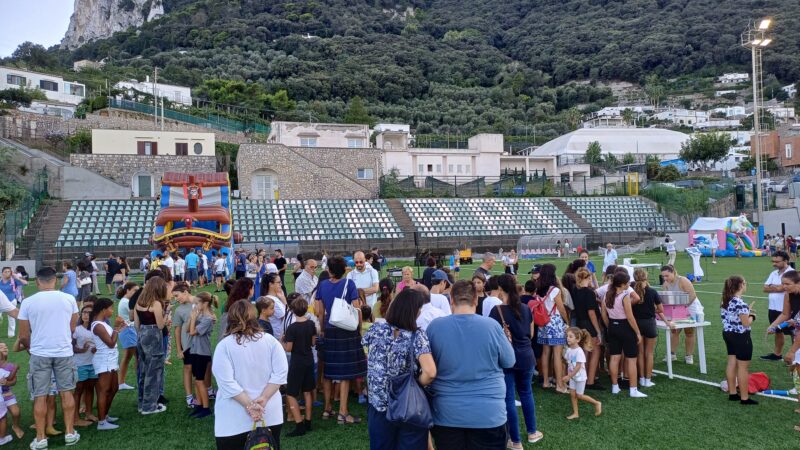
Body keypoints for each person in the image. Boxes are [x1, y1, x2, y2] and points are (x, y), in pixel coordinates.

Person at [427, 280, 515, 449]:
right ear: (476, 300)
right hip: (488, 413)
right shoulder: (491, 326)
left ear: (451, 300)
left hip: (448, 413)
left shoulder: (435, 327)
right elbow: (509, 360)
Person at [362, 289, 436, 450]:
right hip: (408, 404)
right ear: (413, 311)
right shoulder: (416, 336)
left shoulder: (375, 330)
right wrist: (417, 383)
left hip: (378, 404)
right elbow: (430, 372)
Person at [17, 267, 81, 448]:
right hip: (63, 352)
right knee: (66, 392)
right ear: (55, 280)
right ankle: (69, 432)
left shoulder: (28, 302)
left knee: (40, 395)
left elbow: (23, 336)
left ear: (38, 281)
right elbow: (73, 326)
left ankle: (40, 438)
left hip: (39, 353)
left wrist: (31, 348)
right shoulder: (69, 299)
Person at [213, 300, 288, 449]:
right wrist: (263, 399)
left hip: (233, 419)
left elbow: (226, 382)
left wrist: (250, 405)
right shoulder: (271, 341)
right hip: (268, 414)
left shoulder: (224, 346)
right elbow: (280, 374)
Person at [488, 274, 542, 447]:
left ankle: (515, 440)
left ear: (500, 289)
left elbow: (492, 338)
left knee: (509, 398)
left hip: (507, 358)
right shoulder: (525, 308)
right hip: (527, 356)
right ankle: (532, 432)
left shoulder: (497, 311)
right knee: (526, 393)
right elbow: (531, 333)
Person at [314, 256, 366, 424]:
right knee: (344, 373)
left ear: (329, 269)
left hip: (329, 330)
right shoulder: (349, 284)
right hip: (346, 331)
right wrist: (359, 328)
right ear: (344, 270)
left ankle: (327, 409)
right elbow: (357, 307)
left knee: (328, 371)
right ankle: (343, 412)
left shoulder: (322, 285)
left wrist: (322, 329)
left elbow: (320, 312)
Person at [601, 271, 647, 398]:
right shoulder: (624, 296)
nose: (628, 284)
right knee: (631, 359)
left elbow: (604, 315)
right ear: (621, 284)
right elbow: (630, 316)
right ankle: (633, 389)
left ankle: (615, 387)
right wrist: (637, 332)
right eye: (627, 283)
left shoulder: (606, 295)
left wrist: (609, 326)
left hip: (612, 327)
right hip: (625, 327)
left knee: (614, 358)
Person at [282, 298, 317, 437]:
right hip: (309, 359)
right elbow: (313, 342)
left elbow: (289, 349)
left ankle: (299, 424)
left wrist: (283, 341)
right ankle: (308, 421)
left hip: (297, 362)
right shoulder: (311, 324)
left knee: (291, 393)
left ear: (292, 310)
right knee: (307, 392)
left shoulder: (292, 328)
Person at [720, 275, 758, 405]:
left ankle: (732, 393)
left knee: (732, 363)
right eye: (745, 283)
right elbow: (746, 323)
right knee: (743, 368)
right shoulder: (740, 303)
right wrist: (752, 315)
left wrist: (747, 311)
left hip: (728, 334)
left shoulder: (725, 300)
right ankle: (744, 398)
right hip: (741, 337)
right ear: (741, 285)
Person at [134, 277, 168, 415]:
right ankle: (150, 406)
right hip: (154, 335)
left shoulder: (139, 302)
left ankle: (142, 403)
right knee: (153, 373)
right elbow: (161, 325)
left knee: (143, 370)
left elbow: (136, 325)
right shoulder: (156, 304)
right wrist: (167, 314)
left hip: (142, 335)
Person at [632, 269, 671, 389]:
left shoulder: (632, 292)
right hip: (649, 324)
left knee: (640, 352)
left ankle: (642, 378)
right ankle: (647, 380)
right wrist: (651, 309)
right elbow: (661, 310)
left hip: (636, 324)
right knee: (649, 353)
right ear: (646, 277)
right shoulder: (652, 291)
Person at [90, 298, 123, 430]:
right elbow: (110, 343)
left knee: (114, 388)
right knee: (104, 391)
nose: (112, 311)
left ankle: (105, 415)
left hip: (110, 360)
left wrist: (118, 329)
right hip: (104, 360)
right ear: (103, 310)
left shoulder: (103, 323)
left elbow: (112, 340)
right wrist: (116, 328)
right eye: (110, 308)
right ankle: (102, 422)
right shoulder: (97, 325)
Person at [536, 263, 568, 392]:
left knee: (545, 352)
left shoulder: (539, 289)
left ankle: (545, 381)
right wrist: (567, 321)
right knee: (557, 354)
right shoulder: (554, 290)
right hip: (554, 322)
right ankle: (560, 385)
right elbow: (561, 308)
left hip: (543, 322)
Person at [661, 265, 701, 364]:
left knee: (689, 332)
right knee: (674, 330)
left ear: (673, 272)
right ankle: (672, 354)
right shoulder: (665, 284)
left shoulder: (683, 280)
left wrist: (683, 308)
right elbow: (665, 298)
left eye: (667, 275)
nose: (665, 278)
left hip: (691, 307)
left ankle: (689, 356)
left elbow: (692, 295)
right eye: (663, 276)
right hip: (675, 308)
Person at [572, 268, 603, 390]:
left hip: (580, 323)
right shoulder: (589, 292)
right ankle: (590, 380)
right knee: (595, 351)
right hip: (589, 324)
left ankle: (583, 379)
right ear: (587, 278)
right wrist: (598, 331)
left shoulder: (575, 291)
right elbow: (591, 313)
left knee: (585, 353)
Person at [188, 292, 217, 419]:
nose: (195, 305)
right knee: (196, 380)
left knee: (200, 381)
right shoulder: (201, 315)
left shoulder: (208, 319)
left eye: (197, 303)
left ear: (205, 303)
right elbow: (187, 330)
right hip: (195, 350)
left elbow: (193, 332)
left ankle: (206, 408)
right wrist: (193, 317)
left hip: (202, 352)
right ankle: (199, 405)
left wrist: (193, 318)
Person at [563, 327, 602, 419]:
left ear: (578, 339)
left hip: (580, 377)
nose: (568, 338)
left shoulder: (579, 351)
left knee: (579, 395)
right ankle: (576, 413)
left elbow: (578, 366)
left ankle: (597, 403)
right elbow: (567, 361)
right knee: (572, 394)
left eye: (571, 336)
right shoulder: (569, 350)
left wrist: (569, 376)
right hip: (573, 377)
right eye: (567, 336)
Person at [762, 251, 794, 361]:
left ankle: (794, 356)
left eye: (777, 261)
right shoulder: (773, 273)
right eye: (773, 261)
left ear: (785, 261)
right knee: (777, 331)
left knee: (793, 333)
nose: (774, 264)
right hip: (773, 308)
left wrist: (774, 287)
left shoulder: (792, 273)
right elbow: (764, 288)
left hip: (787, 310)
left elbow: (782, 288)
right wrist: (777, 288)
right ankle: (777, 354)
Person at [766, 270, 800, 365]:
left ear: (798, 283)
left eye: (787, 284)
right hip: (797, 331)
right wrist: (773, 325)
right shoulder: (788, 294)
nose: (784, 286)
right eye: (782, 283)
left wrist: (792, 351)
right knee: (796, 365)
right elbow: (785, 314)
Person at [171, 282, 196, 408]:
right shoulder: (179, 310)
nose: (176, 299)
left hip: (201, 344)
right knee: (188, 368)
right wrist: (179, 349)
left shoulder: (199, 303)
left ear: (185, 292)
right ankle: (189, 397)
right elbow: (177, 330)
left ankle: (207, 391)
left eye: (177, 295)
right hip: (188, 345)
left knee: (205, 368)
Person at [72, 305, 97, 427]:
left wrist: (96, 350)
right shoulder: (77, 330)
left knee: (90, 388)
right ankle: (75, 417)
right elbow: (71, 347)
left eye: (89, 312)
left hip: (94, 363)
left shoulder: (96, 328)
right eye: (84, 312)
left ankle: (89, 413)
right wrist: (81, 350)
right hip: (80, 364)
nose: (86, 315)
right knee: (78, 390)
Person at [116, 282, 139, 391]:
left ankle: (121, 382)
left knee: (132, 357)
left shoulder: (126, 301)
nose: (136, 293)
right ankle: (121, 383)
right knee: (132, 357)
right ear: (127, 290)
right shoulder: (126, 302)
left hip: (129, 330)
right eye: (134, 290)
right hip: (128, 330)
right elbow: (135, 316)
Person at [0, 343, 22, 439]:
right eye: (1, 347)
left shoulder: (10, 366)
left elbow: (14, 381)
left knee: (16, 413)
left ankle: (15, 426)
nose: (4, 348)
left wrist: (7, 383)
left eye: (5, 347)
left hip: (7, 394)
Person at [261, 273, 287, 341]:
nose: (281, 284)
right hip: (278, 337)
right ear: (271, 284)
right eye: (278, 282)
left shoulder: (276, 298)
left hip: (278, 336)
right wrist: (284, 300)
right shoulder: (271, 300)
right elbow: (287, 317)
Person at [0, 267, 24, 338]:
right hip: (1, 302)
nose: (7, 273)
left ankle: (11, 334)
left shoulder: (13, 281)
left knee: (11, 318)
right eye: (6, 271)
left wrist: (17, 278)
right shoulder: (0, 281)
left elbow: (25, 283)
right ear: (2, 273)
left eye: (9, 271)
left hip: (11, 301)